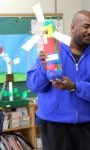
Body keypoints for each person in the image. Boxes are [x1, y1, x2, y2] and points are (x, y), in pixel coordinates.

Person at [27, 10, 90, 150]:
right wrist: (44, 69)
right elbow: (33, 86)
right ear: (72, 28)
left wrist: (74, 87)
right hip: (54, 124)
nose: (89, 31)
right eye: (86, 26)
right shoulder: (52, 51)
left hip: (86, 125)